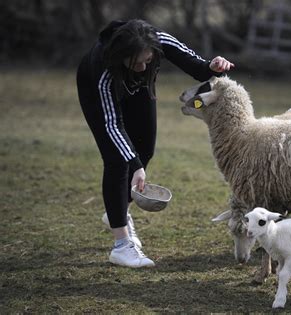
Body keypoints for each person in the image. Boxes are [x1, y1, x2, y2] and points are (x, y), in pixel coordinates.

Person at [76, 19, 234, 268]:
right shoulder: (102, 69)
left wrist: (214, 66)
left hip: (138, 89)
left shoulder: (159, 41)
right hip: (99, 91)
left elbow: (198, 67)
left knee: (145, 147)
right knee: (118, 159)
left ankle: (115, 210)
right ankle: (121, 246)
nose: (142, 67)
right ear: (121, 56)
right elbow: (112, 125)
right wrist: (135, 165)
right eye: (135, 62)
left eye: (148, 61)